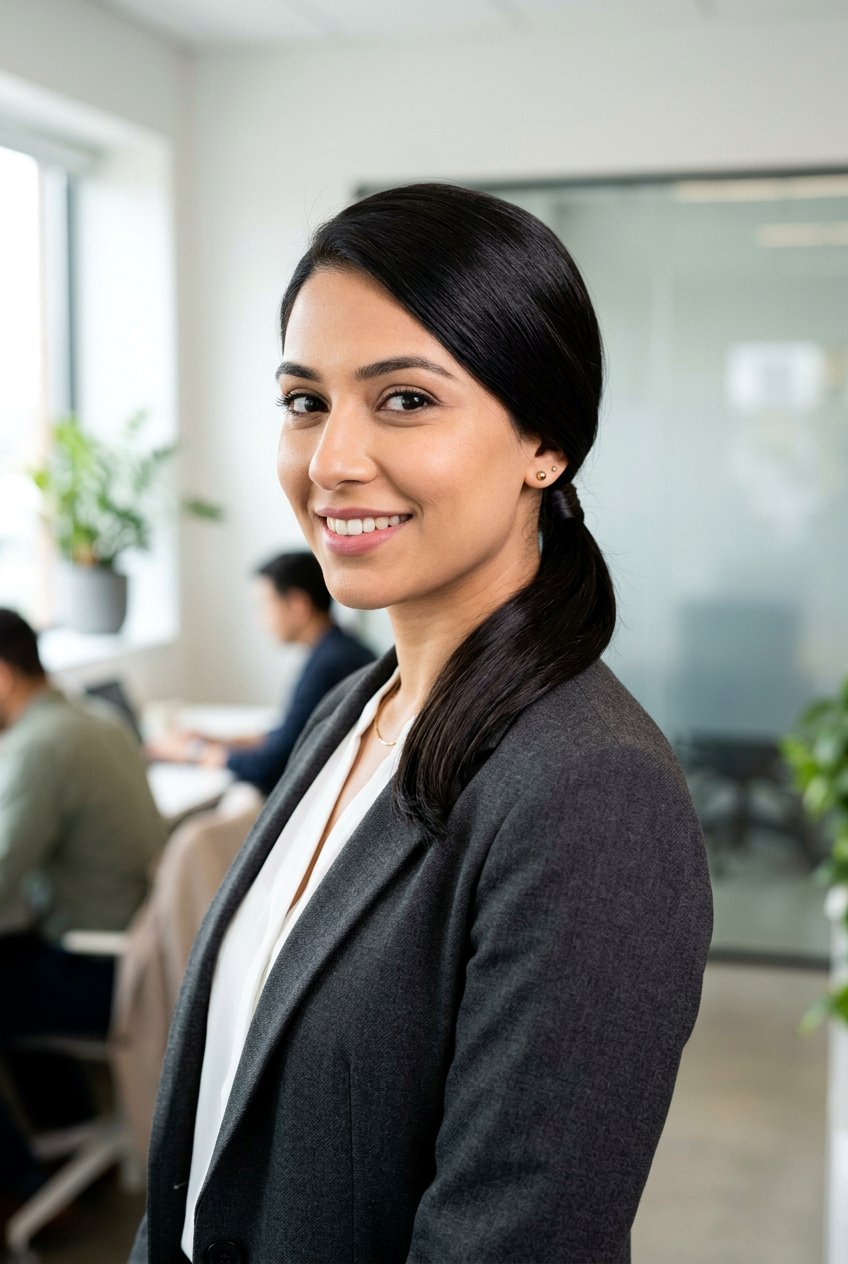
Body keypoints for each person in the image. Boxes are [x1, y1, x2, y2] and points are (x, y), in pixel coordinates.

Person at [132, 184, 712, 1264]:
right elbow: (209, 1142)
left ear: (544, 440)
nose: (332, 460)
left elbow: (516, 1240)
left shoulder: (588, 788)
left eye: (402, 399)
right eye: (305, 401)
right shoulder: (353, 712)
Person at [0, 608, 165, 1204]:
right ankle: (63, 1130)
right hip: (143, 955)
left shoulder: (39, 748)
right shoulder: (97, 720)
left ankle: (18, 1185)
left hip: (103, 974)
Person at [149, 551, 375, 797]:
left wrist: (193, 752)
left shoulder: (328, 665)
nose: (260, 619)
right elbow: (291, 734)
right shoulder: (338, 650)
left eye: (263, 606)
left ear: (298, 605)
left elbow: (273, 765)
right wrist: (217, 740)